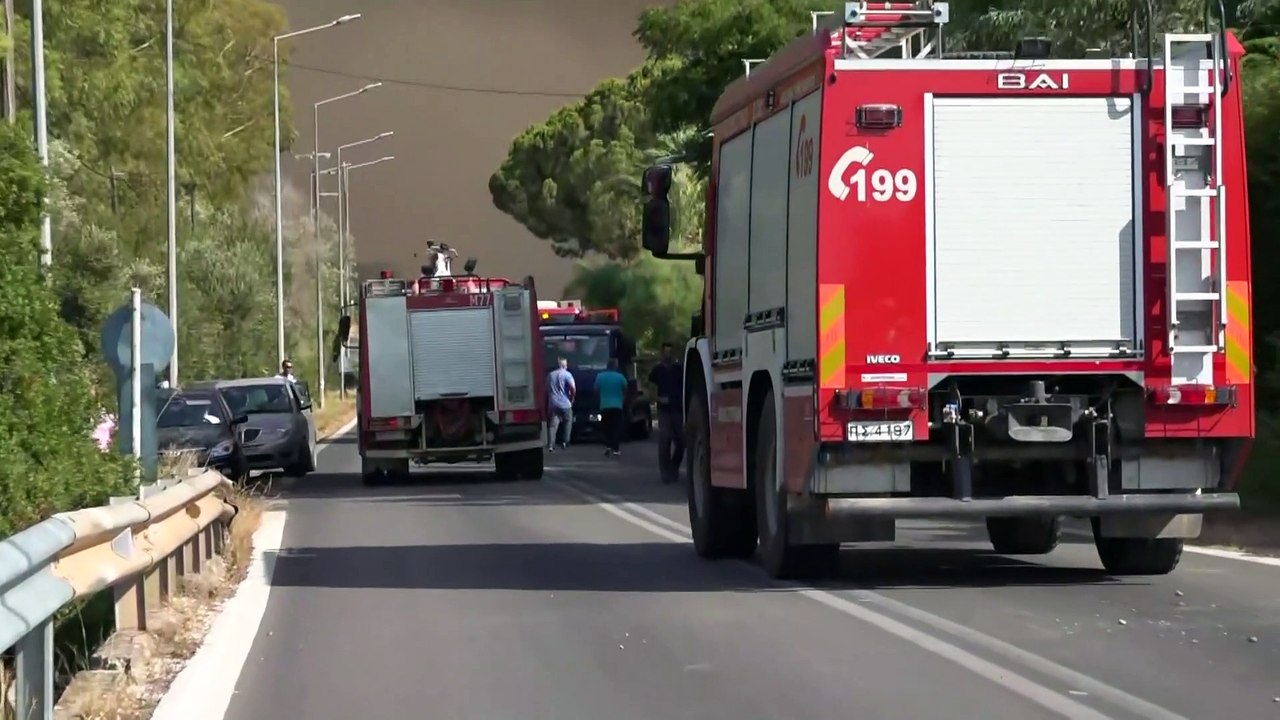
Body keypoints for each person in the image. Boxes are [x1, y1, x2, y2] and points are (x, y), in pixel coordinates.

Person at [648, 341, 685, 483]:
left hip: (678, 408)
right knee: (665, 439)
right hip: (664, 409)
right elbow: (651, 386)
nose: (668, 354)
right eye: (666, 351)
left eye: (670, 351)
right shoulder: (657, 369)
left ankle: (674, 465)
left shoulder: (679, 368)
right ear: (662, 352)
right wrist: (657, 398)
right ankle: (665, 472)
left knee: (681, 441)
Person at [595, 358, 629, 457]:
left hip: (604, 405)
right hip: (617, 405)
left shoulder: (600, 376)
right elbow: (625, 389)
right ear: (615, 366)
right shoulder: (620, 377)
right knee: (616, 427)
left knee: (606, 427)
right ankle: (616, 448)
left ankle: (608, 446)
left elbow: (596, 390)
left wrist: (600, 399)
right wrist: (623, 399)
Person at [547, 357, 576, 452]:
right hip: (565, 403)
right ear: (564, 365)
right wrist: (572, 399)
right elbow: (573, 388)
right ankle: (565, 442)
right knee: (568, 421)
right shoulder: (567, 374)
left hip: (553, 403)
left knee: (552, 424)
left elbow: (546, 388)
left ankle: (551, 445)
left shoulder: (551, 374)